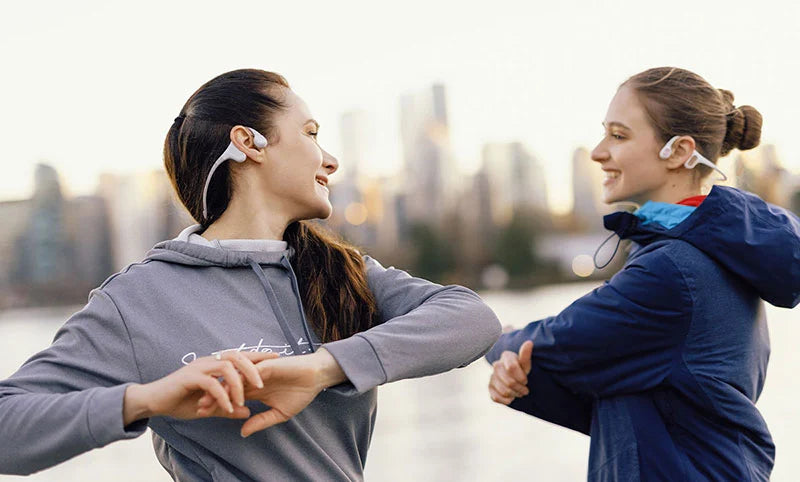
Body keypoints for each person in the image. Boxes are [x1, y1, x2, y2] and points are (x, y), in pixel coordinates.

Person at [0, 68, 501, 481]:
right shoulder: (138, 300)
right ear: (249, 142)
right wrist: (148, 399)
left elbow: (471, 320)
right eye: (310, 134)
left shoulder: (340, 272)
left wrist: (320, 369)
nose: (330, 159)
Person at [486, 67, 800, 481]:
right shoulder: (709, 252)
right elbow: (642, 409)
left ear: (680, 150)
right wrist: (521, 378)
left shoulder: (670, 272)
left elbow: (557, 337)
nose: (598, 152)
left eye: (618, 135)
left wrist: (495, 341)